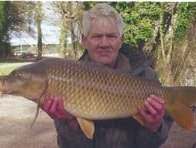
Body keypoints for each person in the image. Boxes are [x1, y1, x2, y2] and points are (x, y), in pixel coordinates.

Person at [41, 3, 173, 148]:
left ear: (121, 40)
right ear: (85, 41)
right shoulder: (67, 78)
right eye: (97, 37)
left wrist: (154, 128)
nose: (104, 43)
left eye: (111, 36)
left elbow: (151, 144)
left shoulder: (146, 76)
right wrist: (71, 123)